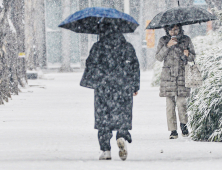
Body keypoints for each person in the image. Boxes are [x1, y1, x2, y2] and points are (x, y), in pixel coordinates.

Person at [80, 24, 140, 160]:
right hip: (123, 87)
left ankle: (105, 149)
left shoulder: (98, 47)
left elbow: (90, 65)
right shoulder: (127, 47)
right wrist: (135, 86)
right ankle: (122, 135)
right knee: (123, 114)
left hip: (103, 87)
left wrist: (96, 79)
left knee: (103, 118)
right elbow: (135, 67)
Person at [155, 24, 196, 139]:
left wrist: (187, 55)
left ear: (180, 29)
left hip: (182, 75)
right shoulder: (163, 40)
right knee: (169, 105)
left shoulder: (186, 39)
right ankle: (173, 130)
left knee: (181, 103)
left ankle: (184, 125)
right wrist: (167, 46)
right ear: (167, 30)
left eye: (176, 29)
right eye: (171, 29)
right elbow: (158, 57)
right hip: (168, 76)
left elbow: (193, 56)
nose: (174, 31)